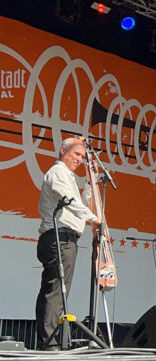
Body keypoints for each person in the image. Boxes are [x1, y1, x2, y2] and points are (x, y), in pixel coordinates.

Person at [36, 137, 101, 349]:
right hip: (58, 236)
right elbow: (71, 203)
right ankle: (49, 343)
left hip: (66, 237)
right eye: (76, 154)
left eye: (82, 157)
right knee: (56, 289)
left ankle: (51, 340)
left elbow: (80, 203)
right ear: (63, 150)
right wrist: (94, 219)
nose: (80, 160)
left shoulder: (69, 176)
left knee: (58, 289)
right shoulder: (58, 173)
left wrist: (91, 184)